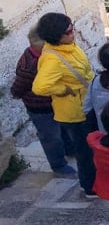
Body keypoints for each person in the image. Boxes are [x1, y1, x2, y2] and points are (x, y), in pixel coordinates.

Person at [31, 12, 97, 197]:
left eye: (72, 28)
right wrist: (64, 89)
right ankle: (89, 187)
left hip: (85, 103)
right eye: (68, 31)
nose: (73, 33)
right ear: (56, 36)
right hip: (74, 111)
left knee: (89, 147)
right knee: (84, 152)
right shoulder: (52, 58)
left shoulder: (68, 46)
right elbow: (39, 86)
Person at [10, 28, 75, 177]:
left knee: (63, 128)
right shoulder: (30, 64)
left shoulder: (46, 55)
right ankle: (59, 166)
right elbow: (17, 88)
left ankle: (70, 150)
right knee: (51, 137)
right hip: (40, 108)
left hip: (55, 102)